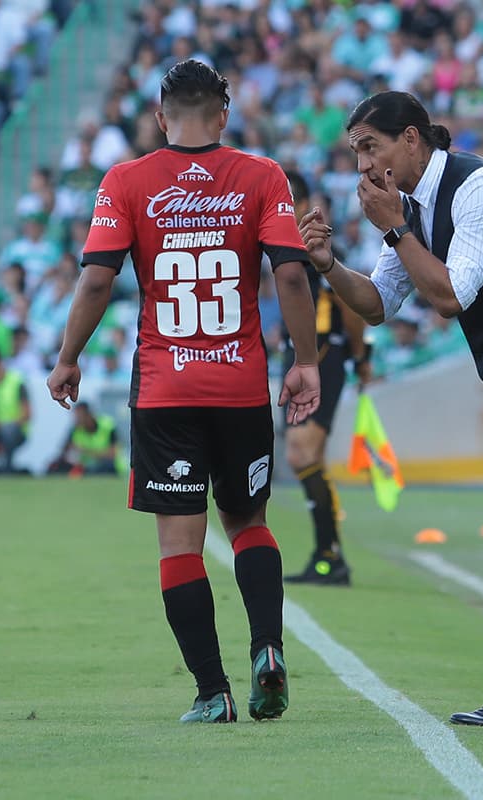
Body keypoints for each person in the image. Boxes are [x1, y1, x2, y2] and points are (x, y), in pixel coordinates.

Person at [299, 90, 483, 731]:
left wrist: (395, 229)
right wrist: (328, 265)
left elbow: (451, 296)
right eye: (355, 153)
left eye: (370, 148)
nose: (363, 167)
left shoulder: (476, 188)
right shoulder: (414, 206)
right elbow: (379, 303)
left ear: (412, 139)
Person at [45, 60, 321, 724]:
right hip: (240, 387)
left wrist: (67, 358)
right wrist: (305, 362)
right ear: (222, 115)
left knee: (179, 545)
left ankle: (212, 692)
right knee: (248, 523)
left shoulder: (127, 181)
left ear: (161, 116)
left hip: (167, 391)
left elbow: (95, 281)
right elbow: (289, 277)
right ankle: (269, 650)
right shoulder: (262, 176)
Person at [280, 169, 372, 586]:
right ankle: (328, 555)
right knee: (305, 457)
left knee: (302, 454)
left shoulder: (317, 239)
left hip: (324, 353)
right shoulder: (280, 240)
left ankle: (330, 555)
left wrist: (357, 354)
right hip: (297, 355)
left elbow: (350, 303)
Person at [47, 401, 122, 476]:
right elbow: (64, 454)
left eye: (79, 416)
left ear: (88, 415)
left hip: (110, 468)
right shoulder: (75, 430)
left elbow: (112, 454)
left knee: (106, 467)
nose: (76, 419)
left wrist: (85, 451)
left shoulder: (107, 426)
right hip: (85, 468)